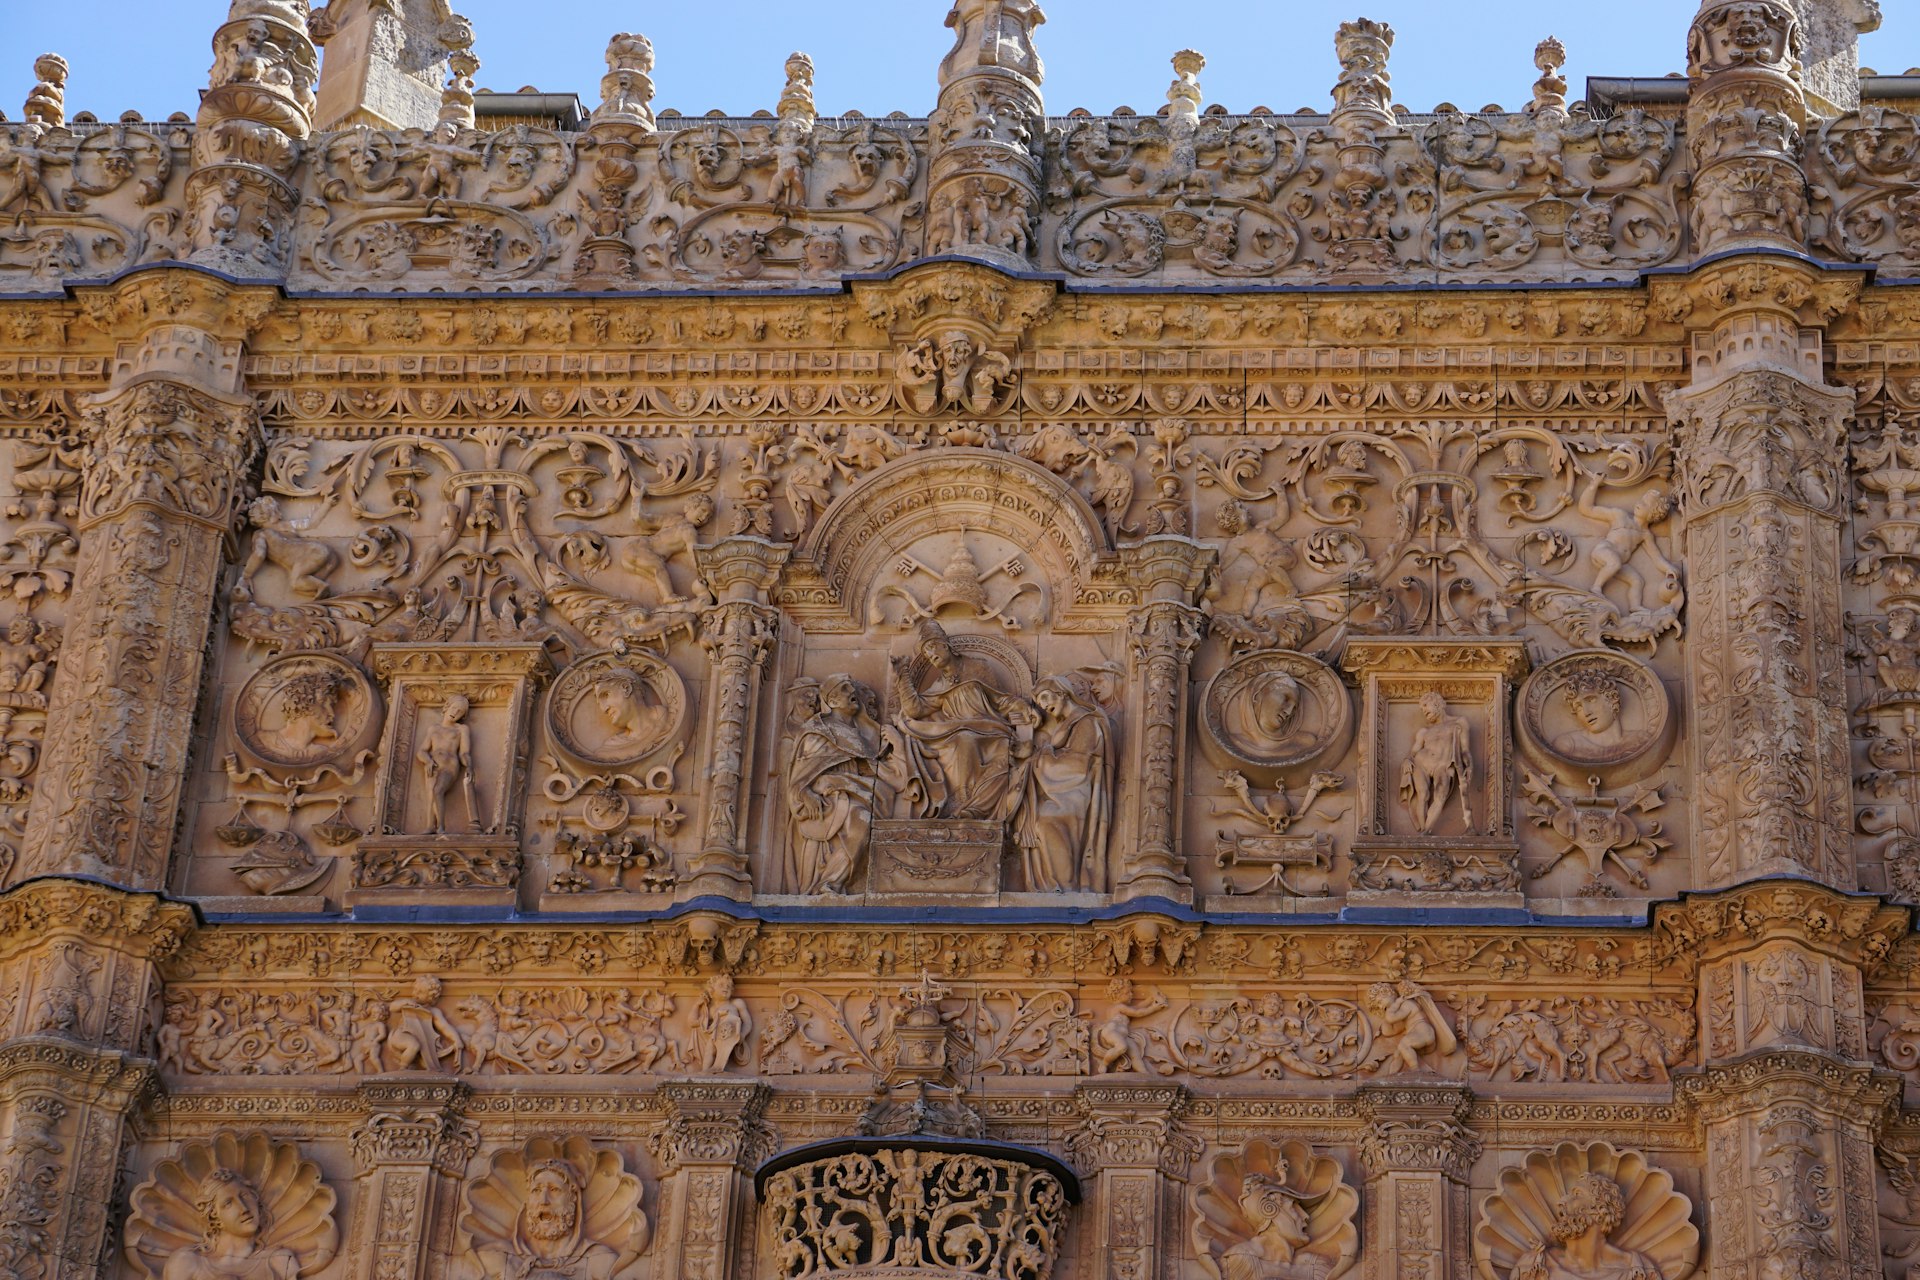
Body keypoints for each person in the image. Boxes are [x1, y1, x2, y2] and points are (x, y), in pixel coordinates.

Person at [890, 620, 1032, 821]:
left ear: (944, 644)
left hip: (989, 729)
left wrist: (1021, 705)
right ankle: (962, 805)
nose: (931, 655)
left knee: (971, 743)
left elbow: (1000, 700)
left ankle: (968, 804)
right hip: (957, 732)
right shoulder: (940, 684)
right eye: (926, 653)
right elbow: (915, 709)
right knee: (962, 739)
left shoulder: (977, 667)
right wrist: (903, 676)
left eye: (932, 647)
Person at [1016, 674, 1113, 892]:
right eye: (1040, 703)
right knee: (1037, 820)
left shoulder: (1086, 721)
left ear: (1061, 693)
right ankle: (1055, 886)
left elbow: (1078, 766)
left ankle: (1064, 886)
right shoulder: (1067, 725)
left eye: (1045, 697)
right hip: (1060, 791)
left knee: (1046, 821)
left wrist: (1042, 758)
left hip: (1074, 794)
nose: (1044, 705)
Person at [1399, 691, 1473, 835]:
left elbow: (1465, 750)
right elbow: (1413, 752)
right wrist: (1406, 760)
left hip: (1443, 765)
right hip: (1421, 763)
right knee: (1423, 795)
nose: (1424, 710)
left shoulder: (1459, 722)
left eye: (1426, 705)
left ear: (1437, 703)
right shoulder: (1424, 731)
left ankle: (1426, 831)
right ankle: (1422, 830)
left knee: (1440, 796)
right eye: (1422, 709)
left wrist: (1469, 765)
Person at [418, 695, 477, 835]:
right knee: (430, 793)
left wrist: (469, 766)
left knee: (437, 790)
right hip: (433, 764)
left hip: (450, 765)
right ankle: (430, 826)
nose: (455, 712)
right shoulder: (433, 729)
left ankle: (441, 827)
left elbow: (464, 752)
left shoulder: (461, 729)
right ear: (447, 707)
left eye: (460, 711)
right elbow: (421, 750)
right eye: (454, 708)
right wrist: (428, 761)